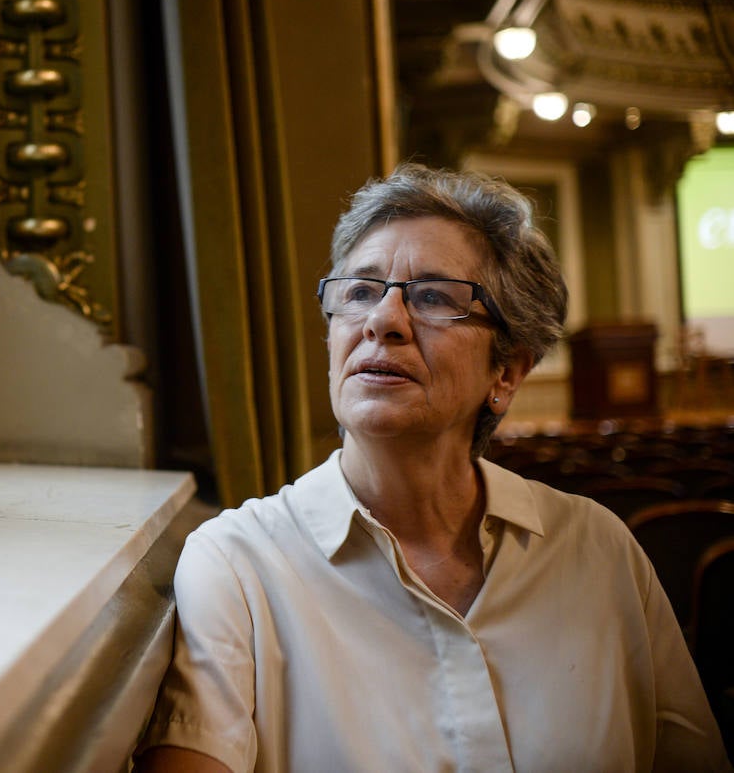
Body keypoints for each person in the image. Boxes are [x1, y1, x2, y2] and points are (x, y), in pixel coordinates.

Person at [134, 163, 730, 772]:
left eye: (434, 298)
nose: (382, 321)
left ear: (508, 372)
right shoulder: (238, 564)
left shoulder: (599, 550)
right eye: (360, 291)